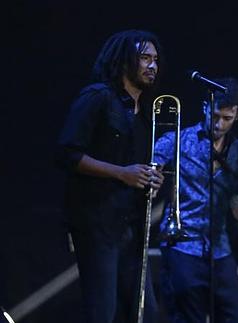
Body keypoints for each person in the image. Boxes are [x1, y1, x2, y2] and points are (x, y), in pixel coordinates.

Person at [56, 30, 165, 323]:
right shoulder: (98, 97)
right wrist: (122, 174)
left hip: (131, 224)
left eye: (155, 59)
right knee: (102, 311)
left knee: (145, 313)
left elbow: (137, 169)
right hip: (97, 221)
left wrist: (152, 178)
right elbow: (67, 154)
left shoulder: (145, 113)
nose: (152, 65)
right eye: (144, 58)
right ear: (125, 59)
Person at [153, 77, 238, 323]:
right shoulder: (177, 139)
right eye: (215, 115)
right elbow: (151, 171)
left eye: (227, 119)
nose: (219, 124)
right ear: (205, 107)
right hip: (181, 244)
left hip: (219, 250)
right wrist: (153, 176)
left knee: (234, 318)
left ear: (237, 115)